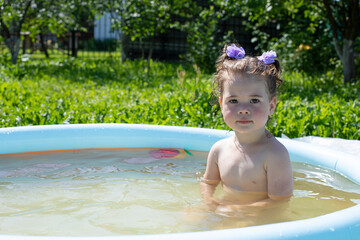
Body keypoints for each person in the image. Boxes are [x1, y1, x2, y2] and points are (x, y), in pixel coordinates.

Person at [200, 43, 293, 217]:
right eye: (233, 101)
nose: (243, 109)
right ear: (221, 104)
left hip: (262, 219)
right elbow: (208, 183)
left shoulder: (275, 154)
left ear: (271, 106)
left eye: (254, 100)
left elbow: (279, 201)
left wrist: (239, 211)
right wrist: (209, 202)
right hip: (227, 211)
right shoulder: (218, 150)